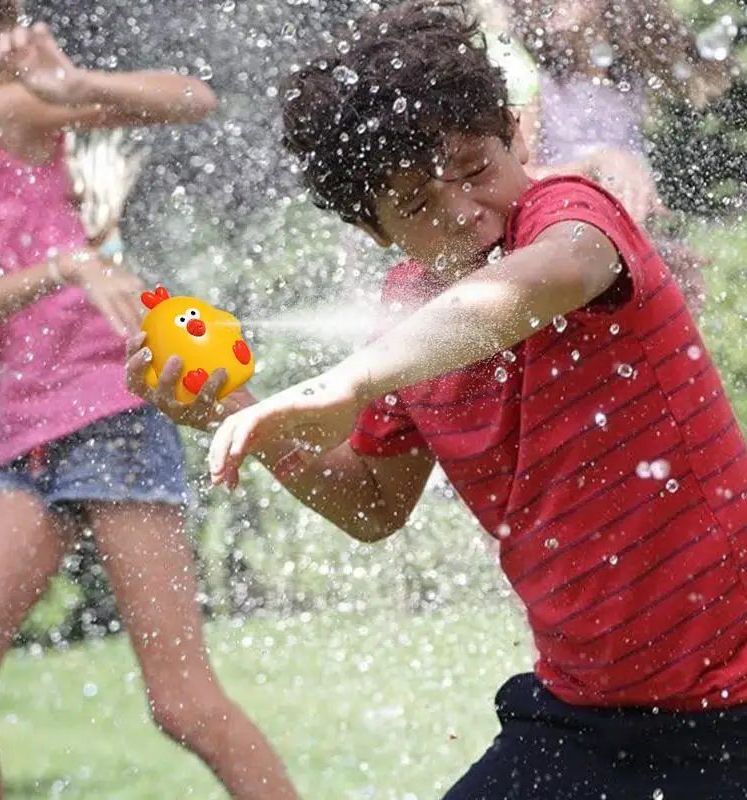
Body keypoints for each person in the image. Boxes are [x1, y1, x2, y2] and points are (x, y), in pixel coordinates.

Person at [130, 1, 747, 798]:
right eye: (418, 204)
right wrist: (239, 409)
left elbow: (534, 287)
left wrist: (350, 381)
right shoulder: (406, 322)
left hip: (733, 706)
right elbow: (370, 505)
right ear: (376, 230)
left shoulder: (569, 214)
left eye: (476, 168)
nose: (463, 208)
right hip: (585, 713)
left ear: (516, 140)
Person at [0, 6, 297, 800]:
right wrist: (63, 266)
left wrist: (74, 83)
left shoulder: (0, 109)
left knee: (181, 703)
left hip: (105, 409)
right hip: (23, 440)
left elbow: (193, 99)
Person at [506, 0, 738, 314]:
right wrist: (597, 163)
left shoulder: (627, 84)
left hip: (616, 254)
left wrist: (657, 250)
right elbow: (523, 180)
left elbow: (625, 197)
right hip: (566, 255)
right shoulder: (539, 84)